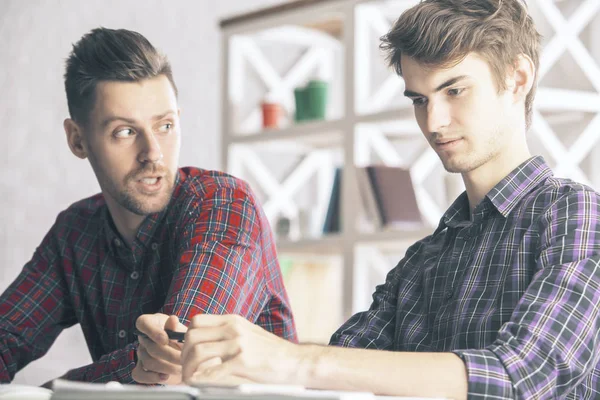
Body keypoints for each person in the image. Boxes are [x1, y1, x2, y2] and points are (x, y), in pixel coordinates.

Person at [179, 0, 600, 398]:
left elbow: (522, 375)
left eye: (454, 91)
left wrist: (291, 361)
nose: (434, 122)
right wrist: (222, 355)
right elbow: (343, 363)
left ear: (517, 78)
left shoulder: (576, 215)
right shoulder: (424, 259)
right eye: (420, 100)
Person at [0, 27, 296, 385]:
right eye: (125, 132)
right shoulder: (75, 232)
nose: (153, 153)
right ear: (78, 140)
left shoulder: (225, 204)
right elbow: (6, 339)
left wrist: (49, 392)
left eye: (165, 125)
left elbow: (174, 362)